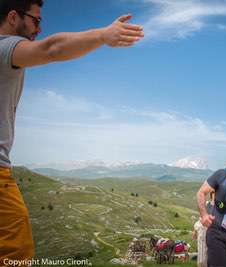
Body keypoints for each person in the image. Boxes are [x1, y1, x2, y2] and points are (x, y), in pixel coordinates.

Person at [0, 0, 144, 264]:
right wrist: (102, 35)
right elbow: (52, 49)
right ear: (12, 17)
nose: (39, 29)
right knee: (15, 252)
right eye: (36, 20)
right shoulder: (5, 47)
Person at [192, 192, 214, 267]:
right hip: (204, 233)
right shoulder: (207, 204)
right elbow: (200, 220)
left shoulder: (221, 206)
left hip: (216, 235)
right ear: (212, 194)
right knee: (202, 259)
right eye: (214, 192)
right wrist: (195, 230)